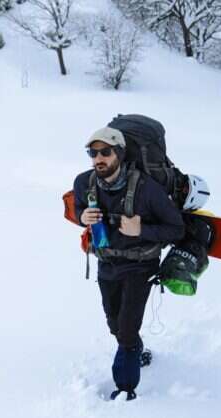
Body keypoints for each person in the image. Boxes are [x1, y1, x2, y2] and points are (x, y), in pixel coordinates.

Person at [73, 126, 185, 401]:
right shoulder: (83, 183)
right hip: (106, 262)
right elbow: (76, 208)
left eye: (105, 152)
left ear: (119, 154)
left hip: (140, 266)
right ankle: (137, 350)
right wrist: (82, 217)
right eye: (93, 152)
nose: (98, 158)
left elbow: (176, 229)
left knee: (126, 328)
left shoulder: (147, 189)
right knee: (114, 322)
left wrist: (141, 231)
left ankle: (125, 390)